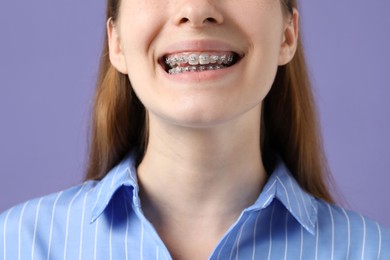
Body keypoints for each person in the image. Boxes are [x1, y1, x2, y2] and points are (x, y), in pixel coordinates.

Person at [1, 0, 389, 259]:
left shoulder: (371, 252)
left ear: (287, 33)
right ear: (116, 41)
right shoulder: (19, 244)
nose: (196, 9)